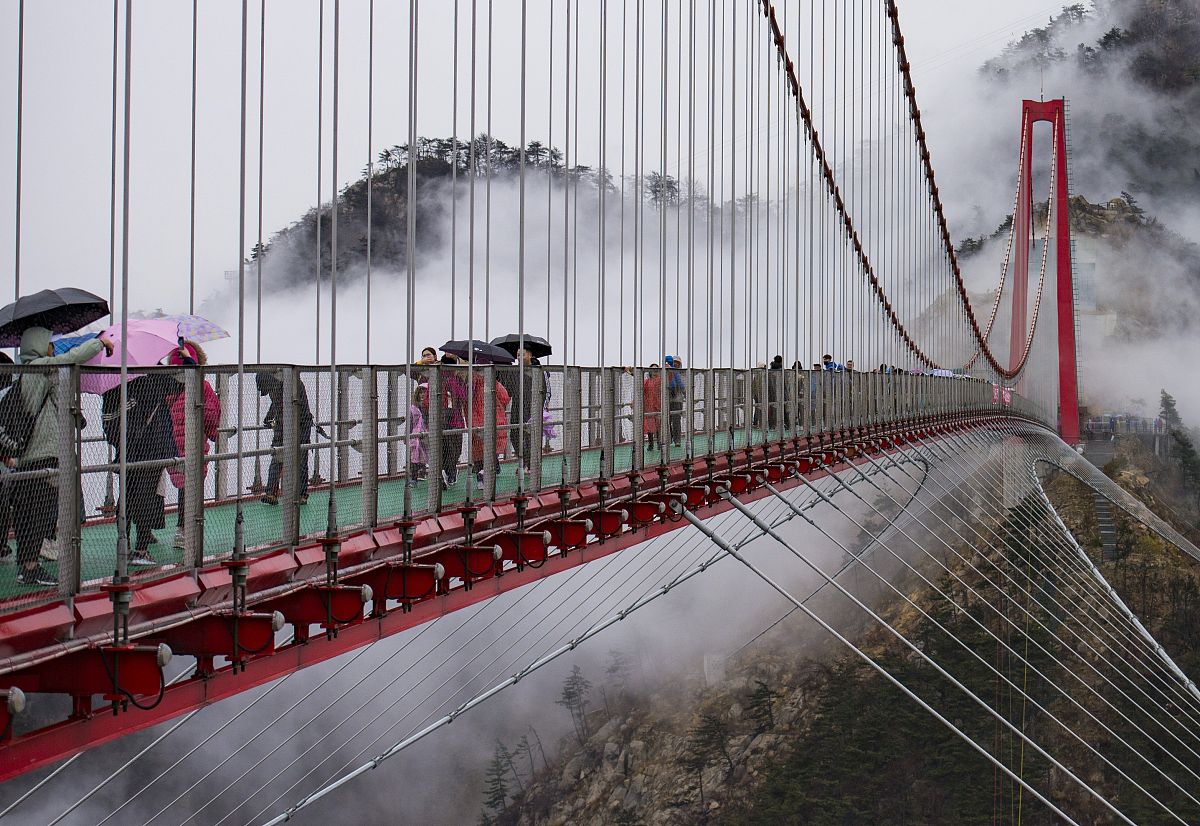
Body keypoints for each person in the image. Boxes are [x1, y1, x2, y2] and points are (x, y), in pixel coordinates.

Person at [8, 327, 110, 586]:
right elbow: (71, 357)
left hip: (25, 453)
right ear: (40, 346)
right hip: (47, 451)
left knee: (25, 514)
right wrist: (99, 344)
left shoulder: (23, 373)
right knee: (43, 512)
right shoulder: (42, 368)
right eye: (48, 343)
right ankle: (31, 567)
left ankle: (26, 566)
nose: (52, 348)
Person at [102, 372, 179, 566]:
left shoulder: (113, 385)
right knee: (146, 497)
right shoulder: (152, 377)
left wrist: (122, 441)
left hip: (127, 451)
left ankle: (124, 545)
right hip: (152, 448)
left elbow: (108, 422)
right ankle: (141, 549)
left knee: (126, 496)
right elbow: (178, 386)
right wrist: (186, 361)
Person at [165, 341, 220, 549]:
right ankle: (187, 528)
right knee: (191, 488)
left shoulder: (166, 386)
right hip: (194, 443)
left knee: (181, 487)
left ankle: (178, 529)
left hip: (169, 443)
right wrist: (214, 433)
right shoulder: (200, 386)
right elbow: (212, 416)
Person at [258, 371, 315, 505]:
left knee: (300, 460)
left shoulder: (293, 385)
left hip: (301, 425)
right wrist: (269, 418)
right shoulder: (278, 386)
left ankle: (301, 494)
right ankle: (271, 493)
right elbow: (277, 403)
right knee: (277, 457)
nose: (270, 393)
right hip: (283, 425)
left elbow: (299, 409)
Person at [468, 368, 510, 487]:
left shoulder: (471, 386)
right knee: (492, 449)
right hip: (495, 421)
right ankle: (488, 471)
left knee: (478, 451)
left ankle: (481, 476)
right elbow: (505, 398)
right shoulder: (494, 384)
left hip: (475, 422)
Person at [439, 354, 468, 488]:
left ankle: (445, 472)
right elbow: (464, 396)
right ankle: (450, 472)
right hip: (455, 420)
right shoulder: (455, 380)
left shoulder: (436, 378)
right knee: (455, 448)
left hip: (439, 420)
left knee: (444, 448)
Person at [407, 383, 429, 486]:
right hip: (416, 436)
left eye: (425, 392)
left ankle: (424, 472)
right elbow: (410, 423)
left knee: (428, 455)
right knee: (415, 457)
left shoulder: (430, 407)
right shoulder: (413, 408)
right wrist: (406, 435)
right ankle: (414, 478)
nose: (422, 395)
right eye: (420, 392)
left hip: (427, 434)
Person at [664, 356, 685, 447]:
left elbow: (682, 385)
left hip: (677, 400)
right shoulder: (666, 371)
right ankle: (669, 438)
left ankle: (677, 440)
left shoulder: (682, 373)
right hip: (666, 400)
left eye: (677, 362)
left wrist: (685, 393)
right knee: (667, 420)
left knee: (676, 420)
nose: (676, 364)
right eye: (674, 362)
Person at [643, 364, 662, 453]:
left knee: (658, 426)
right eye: (653, 369)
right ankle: (651, 444)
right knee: (650, 427)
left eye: (656, 369)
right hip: (649, 407)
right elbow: (641, 391)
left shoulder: (661, 380)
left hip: (659, 406)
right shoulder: (646, 381)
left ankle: (659, 443)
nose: (655, 371)